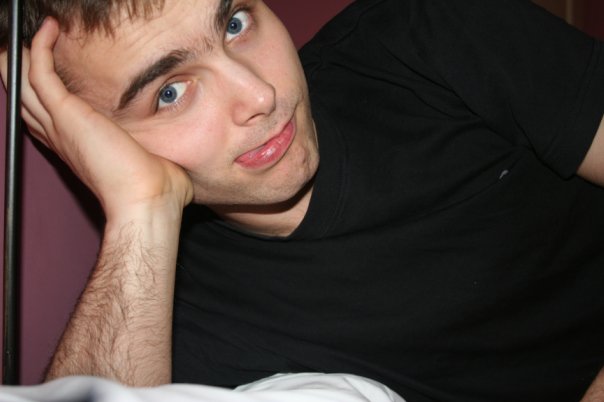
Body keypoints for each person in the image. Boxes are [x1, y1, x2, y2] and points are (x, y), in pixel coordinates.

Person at [1, 0, 604, 401]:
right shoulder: (167, 317)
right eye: (170, 93)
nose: (259, 94)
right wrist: (141, 208)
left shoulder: (433, 35)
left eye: (235, 23)